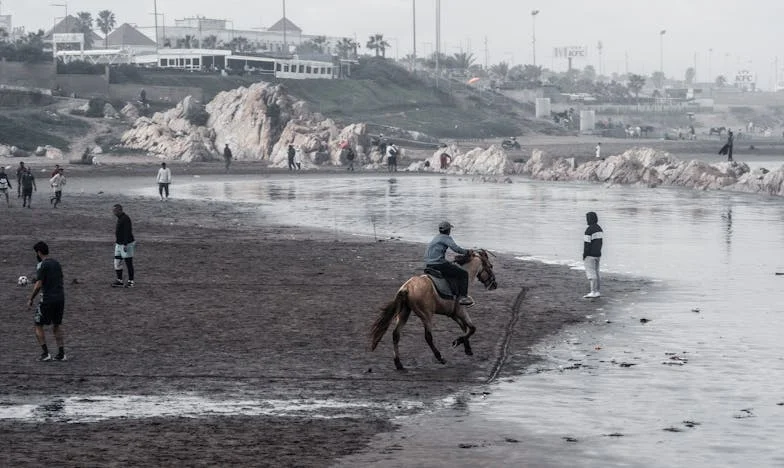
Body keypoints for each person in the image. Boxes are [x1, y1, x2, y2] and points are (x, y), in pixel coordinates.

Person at [28, 241, 66, 361]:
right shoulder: (56, 263)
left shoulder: (43, 265)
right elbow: (54, 278)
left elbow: (39, 285)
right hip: (60, 298)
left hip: (48, 299)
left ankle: (45, 354)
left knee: (38, 325)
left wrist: (31, 298)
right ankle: (61, 354)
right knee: (56, 326)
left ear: (39, 252)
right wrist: (36, 279)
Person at [424, 221, 474, 306]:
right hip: (439, 264)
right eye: (450, 229)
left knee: (450, 267)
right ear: (448, 230)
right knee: (463, 274)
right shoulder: (446, 238)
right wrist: (467, 252)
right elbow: (456, 248)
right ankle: (463, 297)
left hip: (429, 263)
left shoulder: (436, 237)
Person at [112, 204, 136, 288]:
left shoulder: (126, 219)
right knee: (117, 262)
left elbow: (127, 232)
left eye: (115, 211)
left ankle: (131, 281)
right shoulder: (120, 218)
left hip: (127, 244)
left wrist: (125, 244)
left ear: (120, 210)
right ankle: (119, 280)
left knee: (128, 263)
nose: (113, 212)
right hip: (119, 244)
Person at [583, 211, 604, 298]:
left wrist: (584, 254)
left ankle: (593, 292)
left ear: (590, 219)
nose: (586, 221)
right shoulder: (599, 229)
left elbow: (587, 244)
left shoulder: (589, 230)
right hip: (598, 254)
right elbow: (600, 243)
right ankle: (597, 291)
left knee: (591, 274)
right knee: (596, 273)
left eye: (587, 219)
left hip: (590, 255)